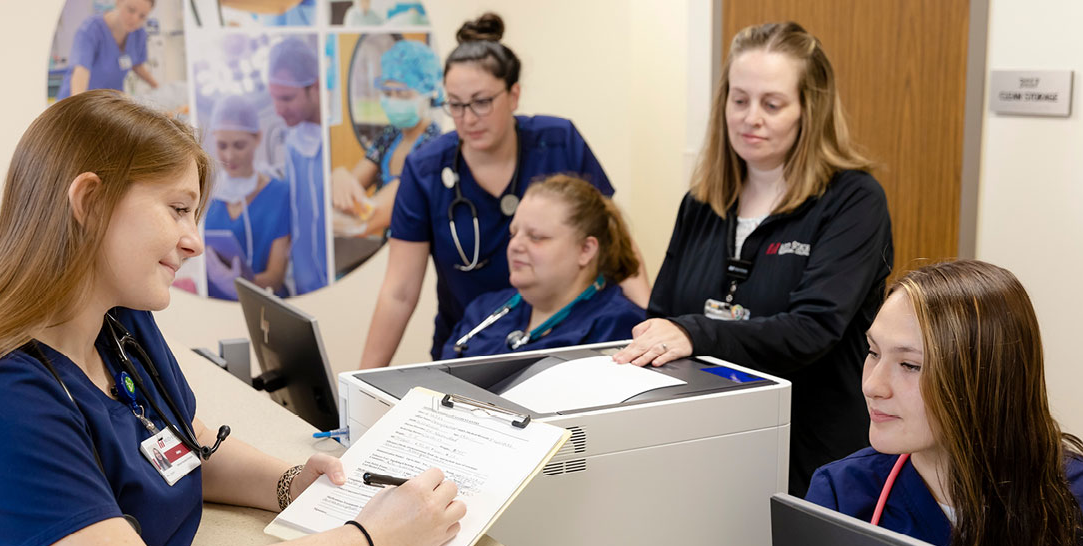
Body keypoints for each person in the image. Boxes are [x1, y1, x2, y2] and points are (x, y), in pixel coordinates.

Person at [0, 91, 465, 546]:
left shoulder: (120, 326)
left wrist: (291, 484)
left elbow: (183, 445)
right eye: (179, 209)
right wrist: (370, 538)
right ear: (88, 203)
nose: (193, 242)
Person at [612, 21, 893, 497]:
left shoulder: (853, 201)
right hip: (704, 445)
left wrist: (696, 331)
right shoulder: (701, 203)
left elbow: (812, 330)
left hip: (811, 455)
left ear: (810, 110)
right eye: (739, 100)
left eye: (772, 104)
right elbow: (662, 318)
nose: (751, 118)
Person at [361, 12, 648, 368]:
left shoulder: (557, 143)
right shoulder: (427, 167)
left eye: (481, 102)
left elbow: (616, 243)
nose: (467, 118)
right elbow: (399, 292)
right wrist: (360, 390)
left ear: (514, 94)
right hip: (476, 338)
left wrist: (649, 324)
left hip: (569, 334)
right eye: (455, 104)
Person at [806, 260, 1083, 546]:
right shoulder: (841, 498)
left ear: (987, 381)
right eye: (874, 352)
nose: (872, 385)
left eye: (910, 365)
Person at [443, 175, 644, 359]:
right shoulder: (482, 311)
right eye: (513, 233)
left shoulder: (619, 328)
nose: (515, 246)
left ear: (585, 250)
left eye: (536, 237)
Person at [331, 39, 443, 237]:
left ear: (428, 93)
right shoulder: (390, 136)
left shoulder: (433, 146)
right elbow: (353, 190)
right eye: (387, 92)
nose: (393, 101)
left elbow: (364, 220)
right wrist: (339, 179)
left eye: (402, 94)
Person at [203, 94, 291, 300]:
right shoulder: (206, 193)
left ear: (257, 138)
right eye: (222, 146)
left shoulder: (279, 194)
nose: (229, 156)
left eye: (239, 145)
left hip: (262, 307)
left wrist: (241, 286)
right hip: (212, 307)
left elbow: (276, 277)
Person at [263, 36, 328, 294]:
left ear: (315, 87)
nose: (278, 110)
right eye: (274, 98)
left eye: (287, 98)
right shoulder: (294, 142)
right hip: (304, 284)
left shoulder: (336, 142)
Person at [56, 0, 159, 101]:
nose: (135, 19)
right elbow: (81, 70)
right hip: (80, 99)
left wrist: (158, 87)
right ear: (118, 2)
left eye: (142, 16)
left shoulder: (139, 34)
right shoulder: (91, 29)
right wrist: (78, 106)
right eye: (131, 10)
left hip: (110, 102)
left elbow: (137, 65)